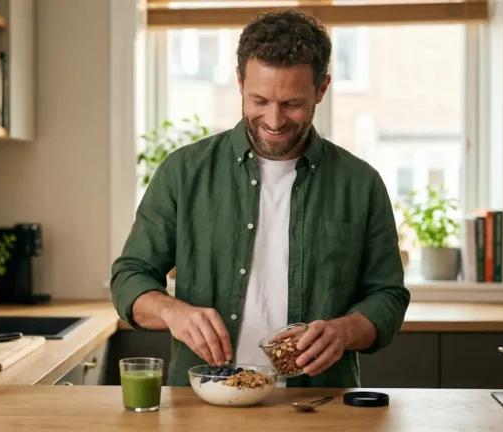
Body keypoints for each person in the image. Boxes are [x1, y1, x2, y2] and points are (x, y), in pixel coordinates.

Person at [110, 9, 410, 388]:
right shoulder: (184, 173)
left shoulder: (360, 183)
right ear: (239, 82)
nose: (273, 119)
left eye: (292, 104)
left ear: (322, 89)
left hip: (318, 406)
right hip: (204, 401)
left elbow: (388, 295)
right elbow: (129, 277)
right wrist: (172, 311)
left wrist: (344, 331)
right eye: (259, 100)